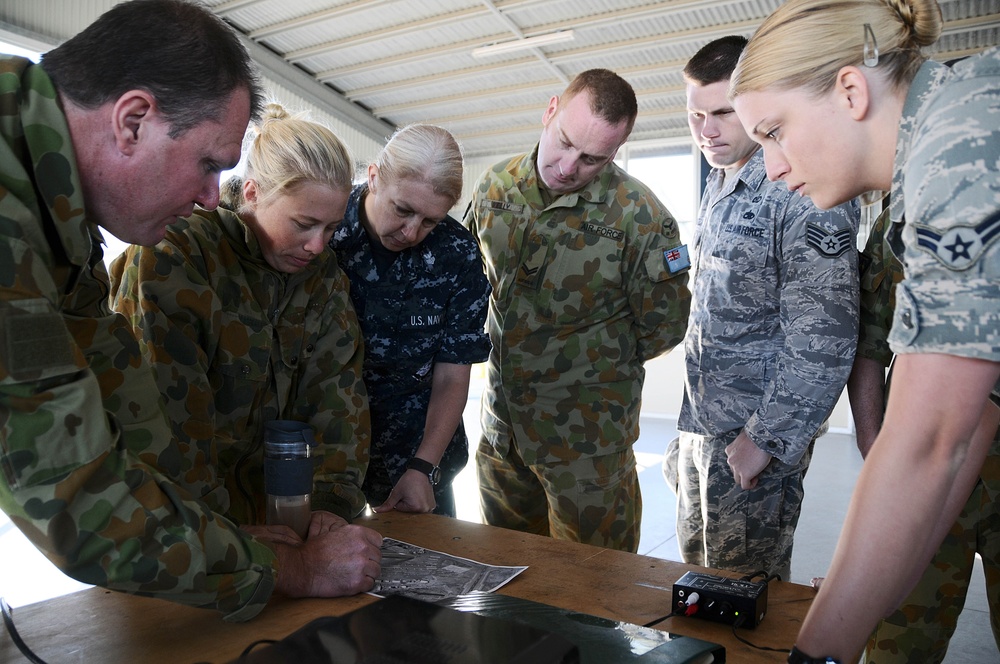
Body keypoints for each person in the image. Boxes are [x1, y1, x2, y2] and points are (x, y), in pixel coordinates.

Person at [0, 0, 380, 624]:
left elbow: (132, 413)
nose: (212, 197)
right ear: (133, 121)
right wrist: (288, 569)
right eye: (209, 164)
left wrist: (232, 538)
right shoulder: (15, 222)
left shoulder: (56, 220)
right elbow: (75, 499)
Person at [729, 0, 1000, 661]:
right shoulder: (941, 141)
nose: (771, 167)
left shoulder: (960, 142)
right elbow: (976, 419)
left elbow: (933, 440)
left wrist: (819, 650)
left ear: (850, 90)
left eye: (773, 132)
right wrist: (864, 592)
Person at [109, 103, 371, 530]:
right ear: (252, 192)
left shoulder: (321, 279)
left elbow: (338, 400)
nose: (317, 245)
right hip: (177, 529)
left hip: (282, 523)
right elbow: (164, 421)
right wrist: (225, 541)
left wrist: (328, 506)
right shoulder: (181, 254)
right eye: (304, 223)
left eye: (331, 228)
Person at [464, 68, 692, 553]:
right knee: (506, 577)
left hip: (587, 447)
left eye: (592, 159)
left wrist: (586, 366)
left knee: (596, 589)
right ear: (550, 111)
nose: (568, 167)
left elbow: (665, 327)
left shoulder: (639, 217)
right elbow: (466, 284)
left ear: (616, 151)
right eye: (564, 142)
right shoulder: (496, 188)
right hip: (503, 431)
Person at [664, 36, 860, 583]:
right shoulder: (718, 184)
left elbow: (824, 337)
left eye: (723, 113)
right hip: (704, 432)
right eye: (695, 114)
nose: (706, 130)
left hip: (755, 438)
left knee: (745, 598)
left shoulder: (801, 189)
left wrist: (766, 440)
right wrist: (689, 437)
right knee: (699, 586)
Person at [845, 200, 1000, 663]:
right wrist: (876, 448)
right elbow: (870, 340)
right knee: (900, 640)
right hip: (918, 459)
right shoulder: (899, 210)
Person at [329, 124, 490, 517]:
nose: (412, 232)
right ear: (373, 177)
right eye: (402, 210)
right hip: (328, 455)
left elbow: (453, 372)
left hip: (418, 460)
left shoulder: (458, 253)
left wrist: (422, 466)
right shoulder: (325, 229)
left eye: (431, 220)